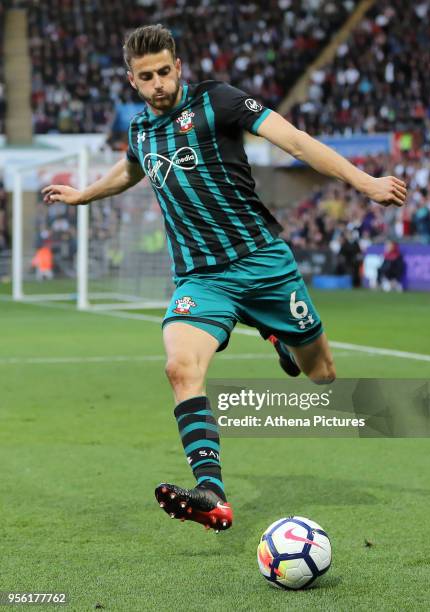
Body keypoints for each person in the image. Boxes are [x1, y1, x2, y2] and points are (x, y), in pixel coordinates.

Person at [42, 25, 407, 533]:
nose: (158, 85)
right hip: (200, 278)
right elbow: (130, 171)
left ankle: (276, 331)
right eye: (146, 77)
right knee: (179, 367)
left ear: (179, 67)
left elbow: (296, 142)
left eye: (164, 72)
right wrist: (83, 194)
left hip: (263, 265)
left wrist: (365, 183)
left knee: (322, 373)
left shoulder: (219, 102)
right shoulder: (141, 133)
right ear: (132, 81)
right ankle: (212, 491)